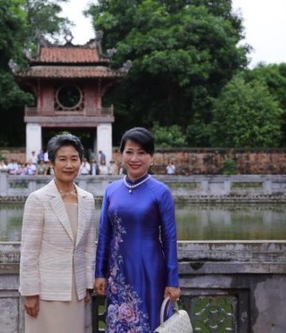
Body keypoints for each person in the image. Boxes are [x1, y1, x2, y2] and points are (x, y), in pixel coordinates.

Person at [94, 127, 181, 332]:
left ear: (151, 157)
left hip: (149, 269)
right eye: (129, 151)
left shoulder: (160, 192)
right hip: (118, 271)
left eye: (142, 152)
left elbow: (169, 238)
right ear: (120, 155)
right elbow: (104, 234)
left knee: (148, 321)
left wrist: (173, 280)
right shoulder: (111, 190)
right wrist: (100, 273)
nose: (135, 158)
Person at [19, 134, 97, 333]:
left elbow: (89, 247)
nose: (69, 165)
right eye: (62, 159)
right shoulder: (38, 199)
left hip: (76, 291)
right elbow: (29, 251)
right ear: (52, 162)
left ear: (81, 161)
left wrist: (87, 285)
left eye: (74, 158)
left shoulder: (87, 200)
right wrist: (30, 293)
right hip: (46, 292)